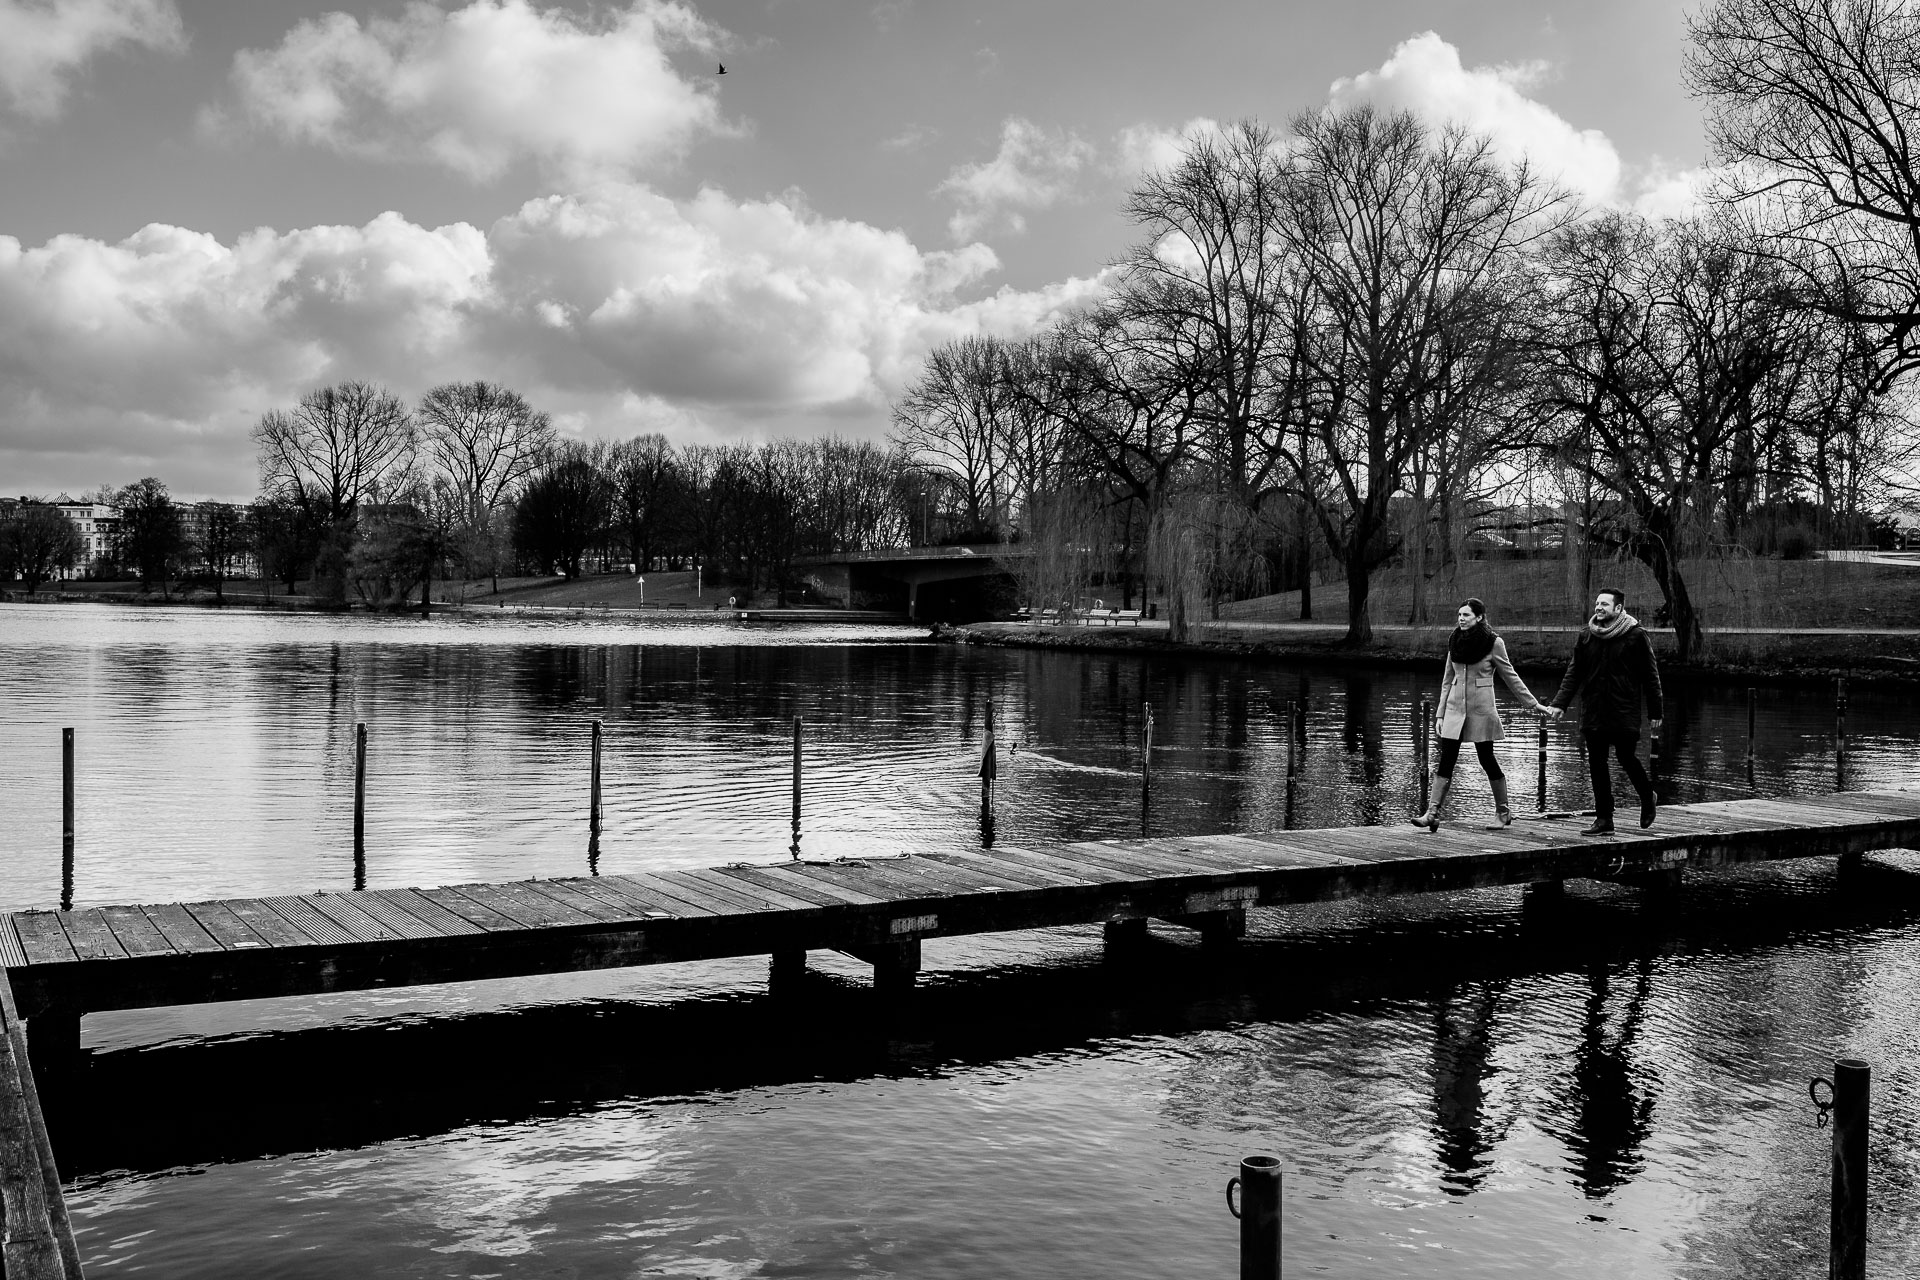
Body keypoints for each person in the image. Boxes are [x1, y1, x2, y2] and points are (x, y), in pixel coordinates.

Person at [1412, 598, 1545, 832]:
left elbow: (1510, 676)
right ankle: (1432, 813)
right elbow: (1446, 680)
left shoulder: (1494, 643)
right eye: (1459, 614)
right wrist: (1440, 714)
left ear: (1479, 617)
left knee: (1487, 759)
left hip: (1481, 710)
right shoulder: (1454, 640)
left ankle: (1503, 812)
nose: (1461, 618)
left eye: (1466, 615)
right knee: (1446, 760)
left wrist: (1532, 704)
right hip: (1454, 709)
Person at [1546, 587, 1664, 835]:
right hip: (1594, 710)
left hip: (1623, 710)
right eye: (1597, 603)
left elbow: (1650, 676)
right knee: (1597, 763)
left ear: (1619, 609)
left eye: (1605, 605)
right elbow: (1574, 672)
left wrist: (1656, 711)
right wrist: (1560, 703)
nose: (1598, 608)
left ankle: (1647, 796)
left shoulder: (1635, 636)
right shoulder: (1587, 635)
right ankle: (1604, 819)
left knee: (1626, 757)